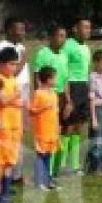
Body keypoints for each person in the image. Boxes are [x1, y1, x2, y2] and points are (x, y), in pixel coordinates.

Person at [31, 26, 70, 175]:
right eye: (60, 36)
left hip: (60, 97)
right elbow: (37, 75)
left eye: (64, 36)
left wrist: (68, 100)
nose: (63, 39)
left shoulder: (64, 55)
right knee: (46, 135)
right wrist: (39, 95)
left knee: (61, 132)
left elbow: (66, 79)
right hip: (47, 97)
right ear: (52, 37)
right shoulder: (43, 53)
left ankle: (56, 168)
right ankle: (44, 171)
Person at [0, 18, 29, 183]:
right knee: (7, 140)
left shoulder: (21, 47)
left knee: (20, 134)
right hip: (10, 96)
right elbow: (12, 72)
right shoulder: (3, 46)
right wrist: (23, 60)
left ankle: (16, 173)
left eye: (23, 29)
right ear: (9, 30)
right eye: (18, 29)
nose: (22, 33)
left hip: (20, 93)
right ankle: (8, 175)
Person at [59, 19, 92, 176]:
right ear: (75, 29)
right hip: (71, 86)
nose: (88, 30)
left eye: (89, 27)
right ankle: (62, 164)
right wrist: (67, 96)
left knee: (79, 126)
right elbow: (63, 68)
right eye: (84, 27)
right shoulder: (68, 45)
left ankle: (74, 163)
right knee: (68, 127)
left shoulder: (86, 47)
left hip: (83, 86)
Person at [0, 47, 24, 203]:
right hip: (4, 126)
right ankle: (0, 194)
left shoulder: (13, 80)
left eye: (16, 64)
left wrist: (15, 99)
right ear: (2, 64)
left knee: (11, 160)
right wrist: (16, 96)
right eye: (12, 64)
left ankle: (5, 192)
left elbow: (18, 102)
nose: (14, 68)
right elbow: (3, 100)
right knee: (3, 161)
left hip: (15, 125)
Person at [28, 67, 60, 190]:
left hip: (52, 131)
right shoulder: (38, 93)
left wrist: (58, 127)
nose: (57, 79)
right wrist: (42, 108)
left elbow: (56, 113)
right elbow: (31, 111)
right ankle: (39, 182)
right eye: (55, 77)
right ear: (48, 80)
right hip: (42, 131)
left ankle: (47, 181)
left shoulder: (53, 94)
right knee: (41, 156)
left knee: (49, 155)